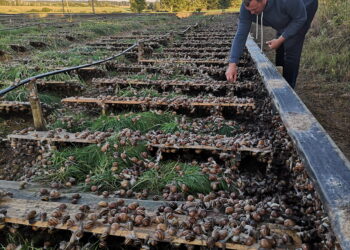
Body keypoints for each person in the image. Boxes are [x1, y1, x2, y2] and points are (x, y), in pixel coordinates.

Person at [226, 0, 318, 88]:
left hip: (305, 5)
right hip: (286, 9)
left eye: (254, 9)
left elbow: (300, 19)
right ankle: (280, 76)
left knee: (291, 43)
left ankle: (289, 88)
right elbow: (241, 35)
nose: (252, 13)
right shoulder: (247, 8)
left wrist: (280, 39)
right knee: (281, 43)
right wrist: (232, 64)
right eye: (249, 10)